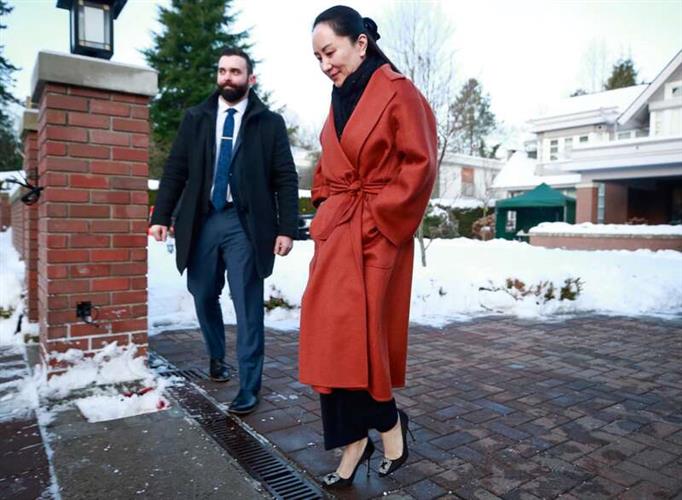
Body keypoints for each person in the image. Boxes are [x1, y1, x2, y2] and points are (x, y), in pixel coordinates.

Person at [298, 5, 437, 489]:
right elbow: (327, 163)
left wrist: (381, 217)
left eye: (329, 52)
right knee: (330, 341)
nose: (324, 65)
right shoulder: (338, 98)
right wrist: (324, 205)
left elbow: (420, 164)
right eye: (317, 57)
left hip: (377, 234)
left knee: (364, 343)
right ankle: (356, 438)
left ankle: (385, 426)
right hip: (338, 232)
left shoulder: (399, 91)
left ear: (360, 43)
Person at [150, 48, 298, 415]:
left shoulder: (269, 123)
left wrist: (286, 228)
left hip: (244, 223)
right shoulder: (196, 118)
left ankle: (249, 385)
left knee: (247, 302)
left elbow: (285, 178)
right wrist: (161, 215)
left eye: (235, 71)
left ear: (251, 78)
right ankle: (217, 356)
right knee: (202, 292)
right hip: (202, 219)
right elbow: (175, 170)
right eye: (222, 71)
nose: (227, 77)